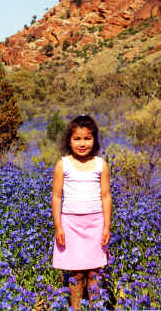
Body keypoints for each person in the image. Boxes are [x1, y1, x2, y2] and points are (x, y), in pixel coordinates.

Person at [52, 115, 112, 310]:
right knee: (75, 274)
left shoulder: (100, 164)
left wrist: (106, 226)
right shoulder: (63, 165)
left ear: (94, 140)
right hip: (70, 225)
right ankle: (76, 307)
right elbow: (57, 197)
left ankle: (96, 307)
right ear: (69, 140)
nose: (82, 143)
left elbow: (105, 196)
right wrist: (58, 226)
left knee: (95, 273)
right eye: (77, 138)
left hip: (95, 224)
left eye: (87, 138)